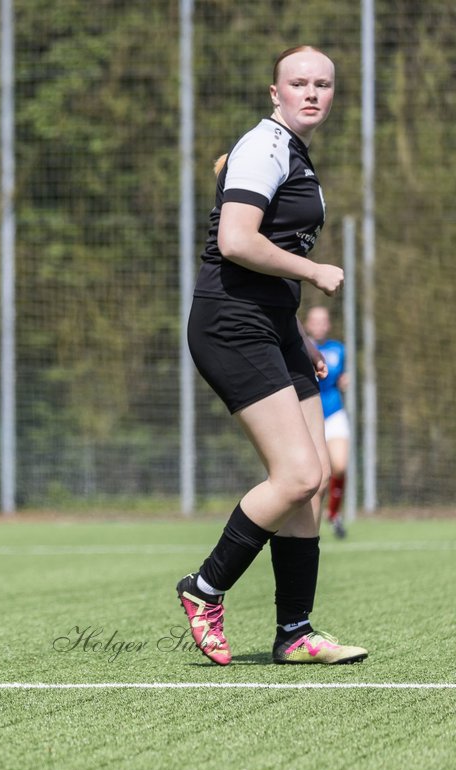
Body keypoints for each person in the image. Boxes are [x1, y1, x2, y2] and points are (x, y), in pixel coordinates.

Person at [177, 46, 367, 666]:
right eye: (298, 82)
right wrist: (312, 271)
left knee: (308, 490)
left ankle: (295, 633)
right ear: (274, 92)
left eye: (323, 84)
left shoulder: (289, 151)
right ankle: (204, 590)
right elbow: (235, 241)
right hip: (232, 324)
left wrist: (299, 334)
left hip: (274, 325)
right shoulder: (265, 145)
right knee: (299, 475)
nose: (312, 92)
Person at [303, 305, 350, 538]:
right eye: (315, 320)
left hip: (333, 412)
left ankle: (333, 513)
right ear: (307, 324)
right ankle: (305, 522)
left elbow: (343, 376)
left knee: (339, 465)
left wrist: (344, 381)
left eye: (324, 321)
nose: (320, 325)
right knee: (316, 474)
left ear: (328, 324)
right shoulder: (299, 348)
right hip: (307, 414)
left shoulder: (339, 349)